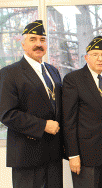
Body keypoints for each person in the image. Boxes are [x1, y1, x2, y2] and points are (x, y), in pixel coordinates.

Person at [0, 20, 63, 188]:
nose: (38, 44)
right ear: (23, 44)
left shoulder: (53, 71)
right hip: (27, 156)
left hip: (53, 155)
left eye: (42, 39)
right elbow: (7, 114)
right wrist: (43, 125)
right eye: (33, 39)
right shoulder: (9, 73)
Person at [62, 36, 102, 188]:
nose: (100, 59)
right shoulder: (73, 79)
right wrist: (73, 154)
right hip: (85, 154)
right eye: (95, 55)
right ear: (86, 57)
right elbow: (69, 120)